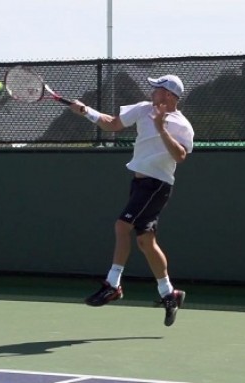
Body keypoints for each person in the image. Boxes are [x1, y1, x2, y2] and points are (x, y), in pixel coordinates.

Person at [69, 74, 194, 326]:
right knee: (146, 241)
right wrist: (86, 111)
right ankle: (168, 293)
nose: (152, 91)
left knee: (122, 226)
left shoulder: (182, 125)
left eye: (157, 88)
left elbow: (180, 156)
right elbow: (113, 124)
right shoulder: (143, 109)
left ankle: (112, 285)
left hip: (157, 185)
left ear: (169, 95)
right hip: (139, 183)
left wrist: (161, 128)